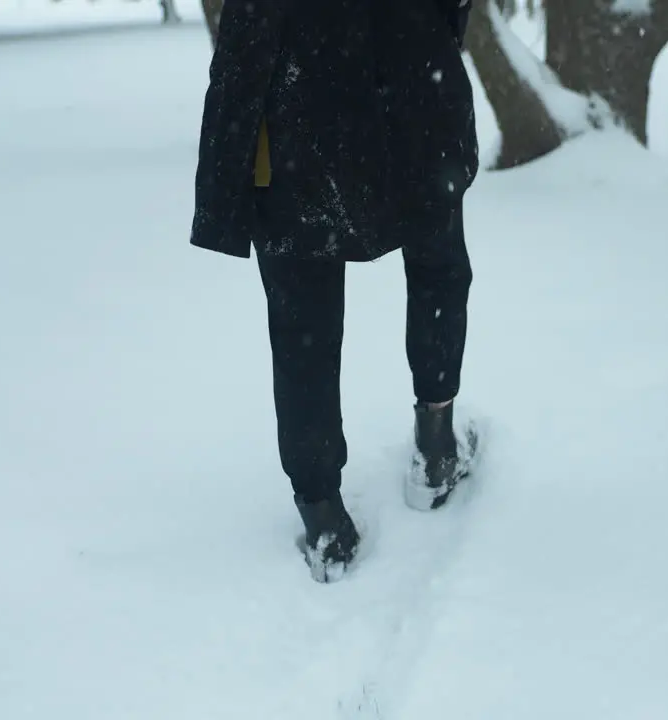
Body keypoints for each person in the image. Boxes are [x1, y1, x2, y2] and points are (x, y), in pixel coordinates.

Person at [190, 0, 481, 582]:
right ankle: (436, 444)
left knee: (303, 323)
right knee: (436, 264)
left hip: (296, 100)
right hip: (409, 79)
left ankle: (322, 514)